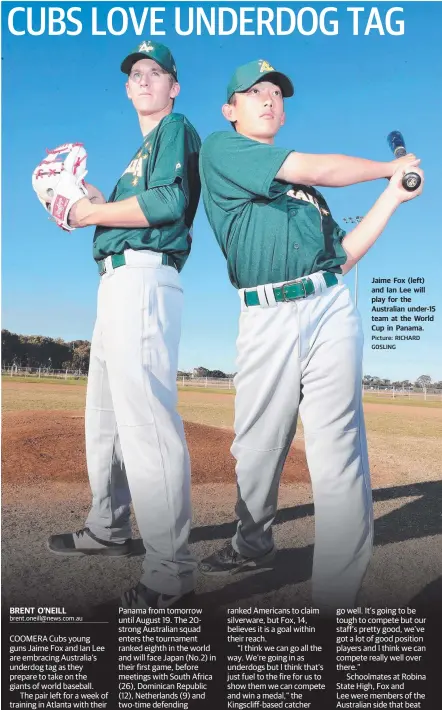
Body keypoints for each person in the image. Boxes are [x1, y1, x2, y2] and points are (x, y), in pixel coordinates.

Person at [198, 59, 423, 612]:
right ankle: (252, 543)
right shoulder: (221, 151)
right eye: (255, 92)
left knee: (340, 449)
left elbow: (342, 256)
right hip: (267, 313)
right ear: (232, 110)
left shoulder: (308, 199)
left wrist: (392, 195)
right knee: (256, 447)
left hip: (331, 305)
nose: (270, 99)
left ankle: (336, 602)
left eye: (277, 92)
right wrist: (382, 168)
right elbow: (318, 168)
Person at [47, 41, 201, 610]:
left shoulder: (176, 130)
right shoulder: (140, 153)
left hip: (143, 279)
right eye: (135, 73)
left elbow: (164, 205)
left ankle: (172, 574)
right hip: (115, 283)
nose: (142, 80)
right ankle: (108, 528)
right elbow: (131, 209)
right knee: (106, 420)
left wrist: (87, 212)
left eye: (153, 72)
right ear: (127, 87)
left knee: (147, 425)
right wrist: (94, 198)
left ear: (172, 86)